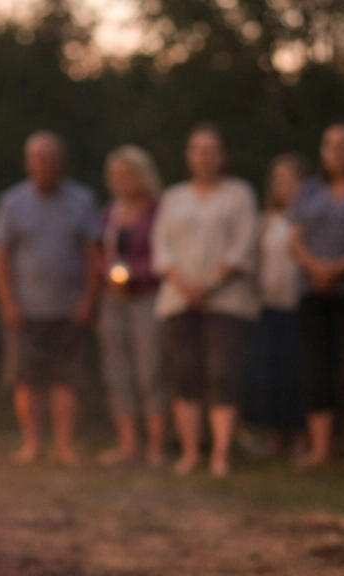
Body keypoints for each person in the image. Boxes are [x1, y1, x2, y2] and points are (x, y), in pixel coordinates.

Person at [151, 125, 261, 477]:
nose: (203, 157)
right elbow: (162, 248)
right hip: (178, 300)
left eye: (211, 150)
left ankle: (221, 453)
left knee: (222, 373)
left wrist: (210, 284)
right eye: (197, 150)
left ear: (223, 156)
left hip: (226, 301)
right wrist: (185, 286)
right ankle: (190, 452)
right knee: (184, 374)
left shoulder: (239, 195)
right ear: (189, 156)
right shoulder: (174, 197)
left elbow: (244, 245)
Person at [0, 132, 101, 466]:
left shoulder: (82, 200)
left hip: (70, 306)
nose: (45, 166)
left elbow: (94, 254)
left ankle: (64, 446)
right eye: (38, 159)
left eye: (51, 159)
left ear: (61, 163)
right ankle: (32, 445)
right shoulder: (12, 202)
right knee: (27, 380)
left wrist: (89, 299)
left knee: (68, 380)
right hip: (25, 307)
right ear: (27, 163)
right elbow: (0, 255)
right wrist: (7, 301)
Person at [292, 123, 344, 469]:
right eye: (330, 145)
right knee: (317, 368)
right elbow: (295, 238)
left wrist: (338, 269)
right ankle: (321, 448)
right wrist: (316, 269)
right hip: (311, 290)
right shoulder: (309, 191)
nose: (337, 152)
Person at [95, 146, 166, 468]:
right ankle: (127, 445)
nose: (122, 180)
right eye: (116, 175)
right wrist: (108, 273)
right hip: (114, 299)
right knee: (118, 370)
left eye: (128, 174)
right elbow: (99, 252)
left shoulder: (158, 210)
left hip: (147, 296)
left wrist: (133, 273)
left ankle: (156, 446)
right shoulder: (110, 212)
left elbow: (165, 253)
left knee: (150, 369)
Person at [244, 154, 307, 458]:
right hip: (270, 305)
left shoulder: (309, 218)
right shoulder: (266, 220)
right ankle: (275, 437)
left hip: (300, 304)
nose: (285, 186)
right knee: (271, 373)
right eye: (279, 180)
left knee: (298, 373)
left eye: (292, 179)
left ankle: (302, 438)